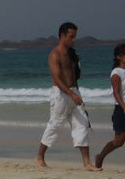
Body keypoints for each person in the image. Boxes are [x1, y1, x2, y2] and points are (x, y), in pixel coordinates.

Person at [36, 22, 101, 170]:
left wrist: (77, 93)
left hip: (74, 92)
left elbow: (74, 76)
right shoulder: (55, 54)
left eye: (75, 36)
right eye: (71, 37)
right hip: (61, 94)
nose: (74, 39)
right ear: (62, 36)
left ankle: (86, 163)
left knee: (82, 123)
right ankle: (40, 157)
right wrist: (71, 94)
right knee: (55, 124)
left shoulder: (73, 54)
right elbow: (57, 79)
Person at [95, 44, 125, 170]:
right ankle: (100, 156)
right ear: (119, 56)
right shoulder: (116, 72)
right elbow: (116, 92)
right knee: (119, 141)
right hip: (122, 109)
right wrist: (124, 107)